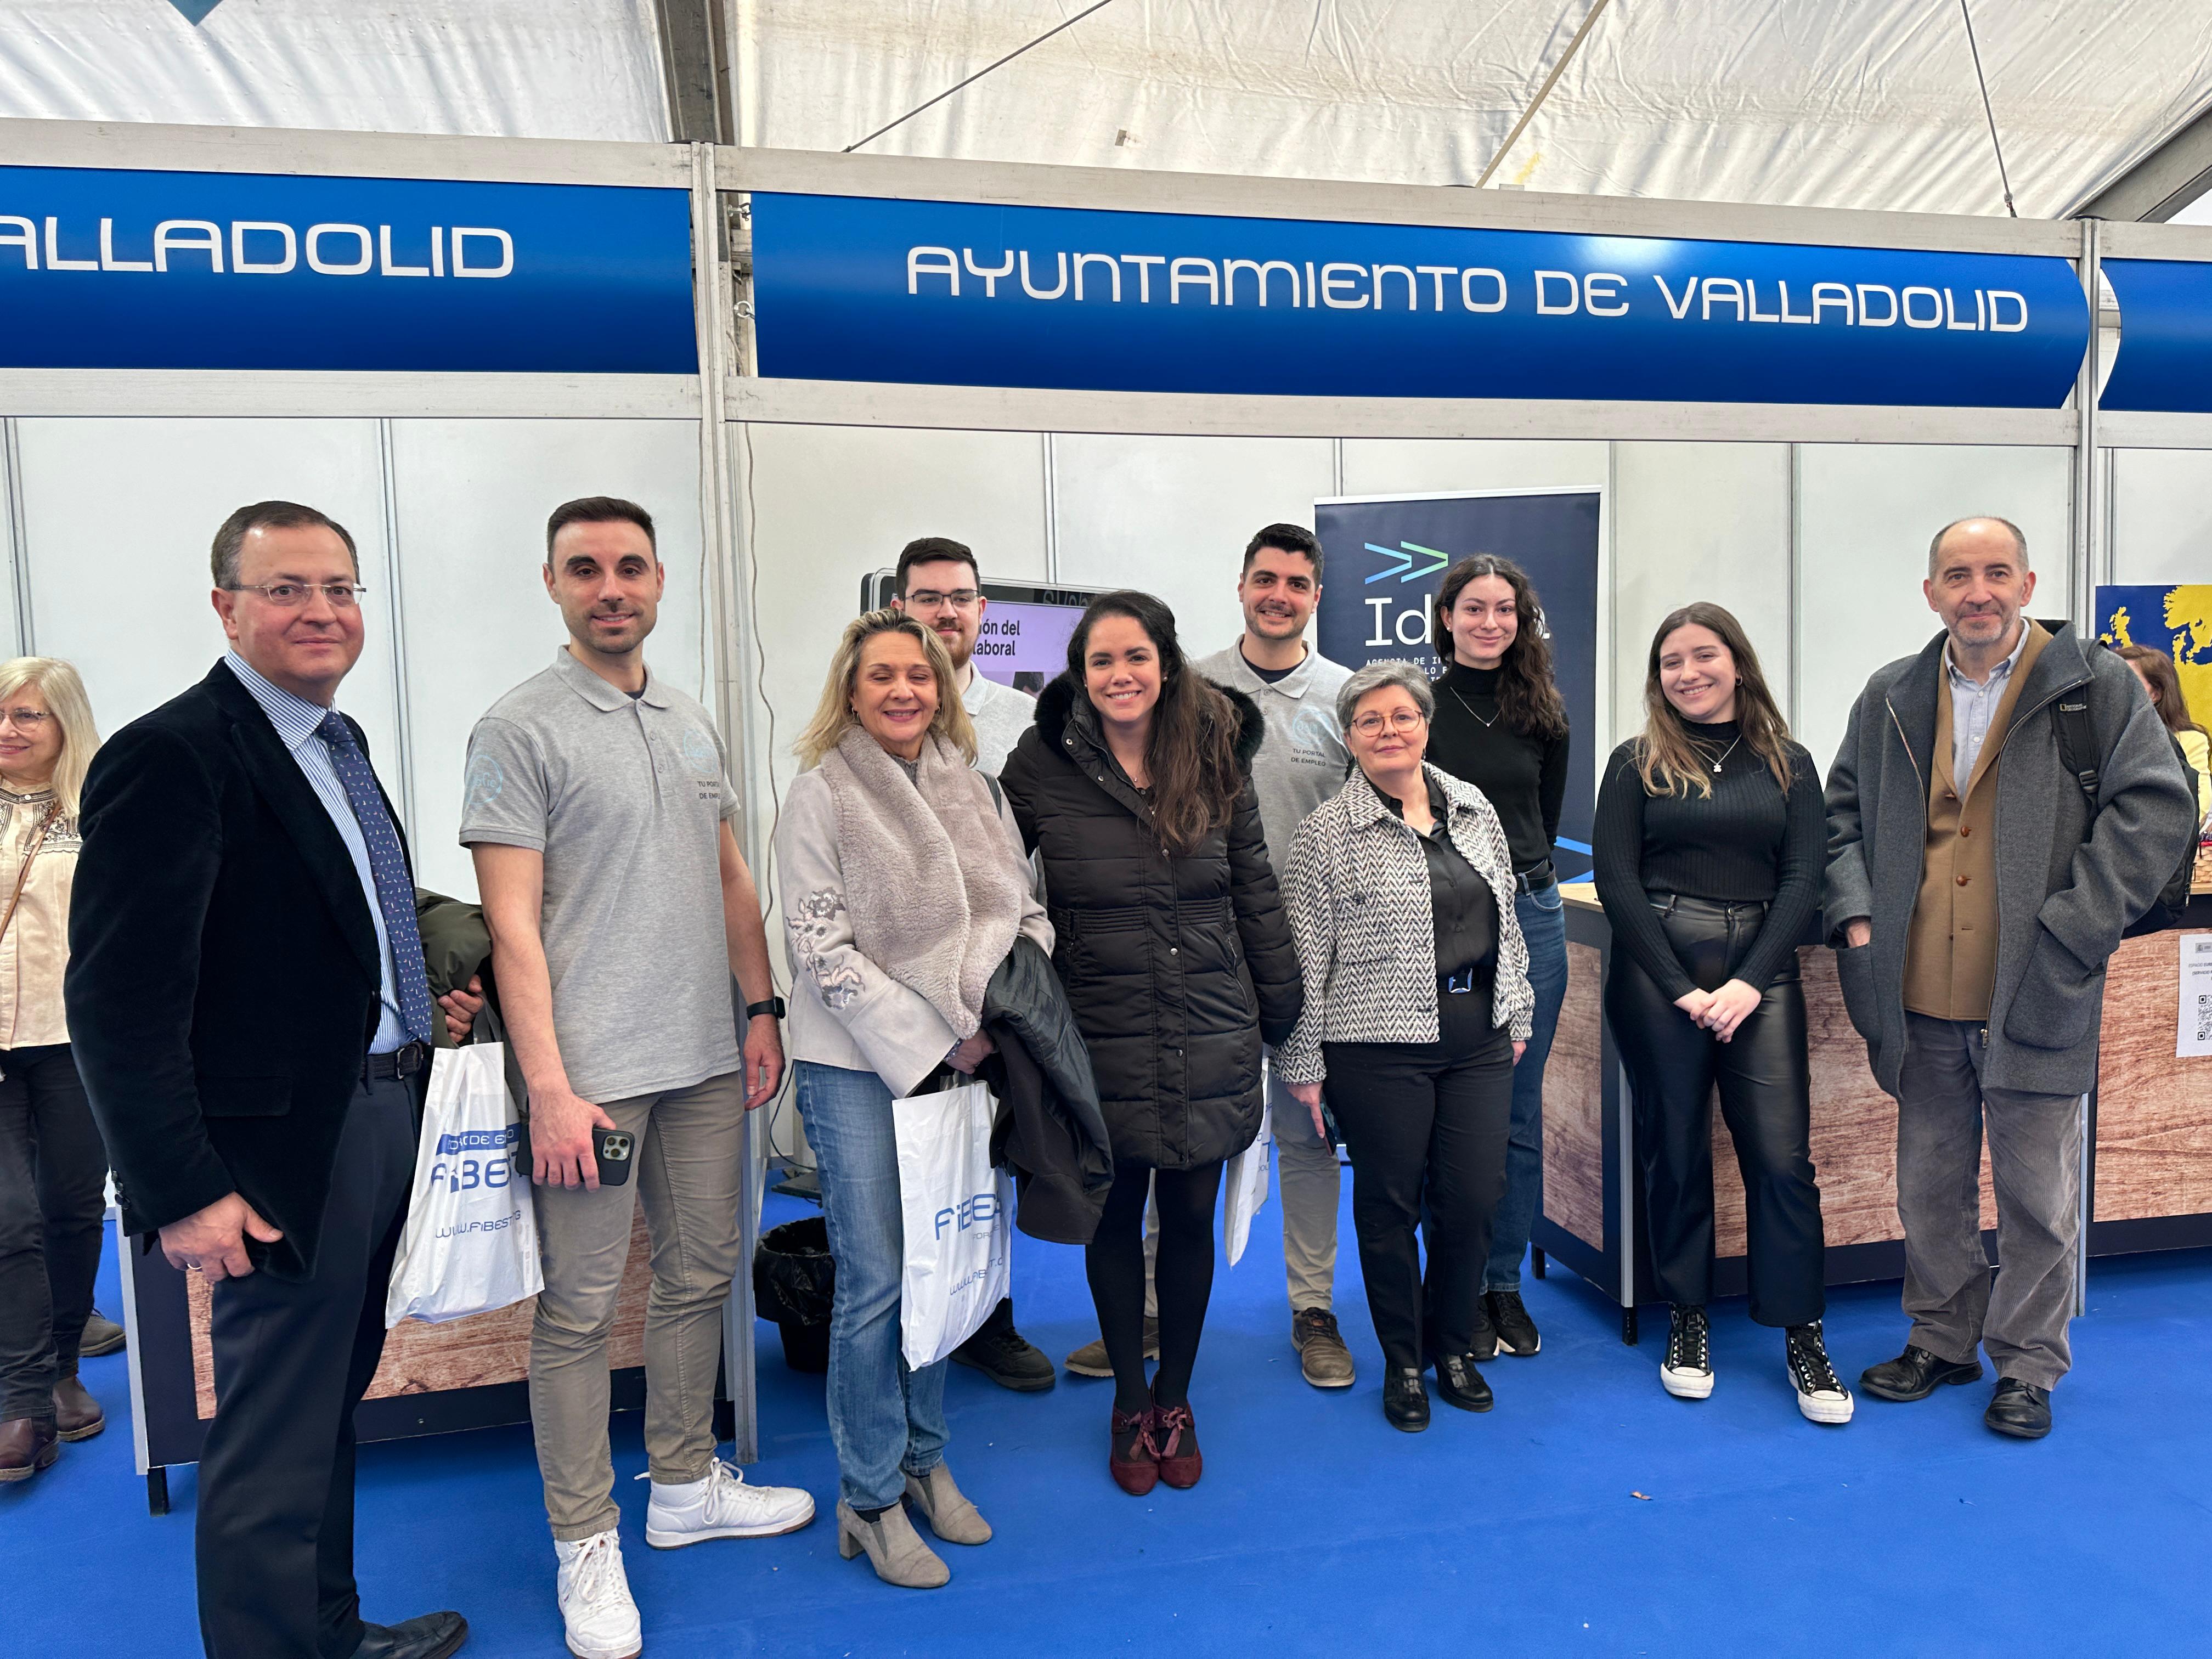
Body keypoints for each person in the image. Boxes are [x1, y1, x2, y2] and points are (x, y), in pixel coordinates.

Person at [66, 502, 469, 1658]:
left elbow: (316, 931)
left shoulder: (336, 741)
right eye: (287, 588)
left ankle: (323, 1630)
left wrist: (411, 999)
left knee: (324, 1401)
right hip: (283, 1151)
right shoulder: (173, 753)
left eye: (339, 588)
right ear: (226, 607)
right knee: (273, 1432)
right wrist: (181, 1189)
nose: (321, 611)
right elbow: (118, 999)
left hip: (377, 1112)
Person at [462, 497, 810, 1659]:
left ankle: (683, 1485)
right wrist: (550, 1086)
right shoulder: (517, 728)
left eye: (628, 567)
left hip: (706, 1058)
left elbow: (730, 881)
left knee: (702, 1270)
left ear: (660, 580)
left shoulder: (690, 718)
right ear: (552, 584)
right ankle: (584, 1538)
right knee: (577, 1309)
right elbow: (512, 927)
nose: (609, 587)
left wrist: (758, 1008)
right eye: (585, 569)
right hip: (595, 1079)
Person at [1826, 517, 2195, 1441]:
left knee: (2037, 1197)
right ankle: (1942, 1337)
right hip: (1916, 995)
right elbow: (1839, 818)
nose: (1977, 591)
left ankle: (2028, 1364)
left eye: (1996, 572)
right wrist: (1860, 920)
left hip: (2037, 988)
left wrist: (2075, 926)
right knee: (1928, 1187)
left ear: (2028, 585)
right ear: (1931, 594)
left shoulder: (2093, 686)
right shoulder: (1890, 695)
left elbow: (2156, 808)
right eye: (1957, 575)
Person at [999, 591, 1301, 1495]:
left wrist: (1283, 1014)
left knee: (1190, 1218)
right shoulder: (1042, 760)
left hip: (1210, 1019)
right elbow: (991, 877)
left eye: (1136, 657)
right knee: (1114, 1212)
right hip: (1098, 1025)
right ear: (1079, 674)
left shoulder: (1214, 753)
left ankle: (1177, 1396)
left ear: (1166, 664)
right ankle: (1130, 1400)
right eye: (1101, 661)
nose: (1120, 675)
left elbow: (1253, 884)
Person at [776, 609, 1051, 1587]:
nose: (903, 690)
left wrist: (1003, 1005)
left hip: (971, 1057)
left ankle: (925, 1461)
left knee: (941, 1267)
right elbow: (822, 949)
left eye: (919, 675)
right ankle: (869, 1496)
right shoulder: (820, 793)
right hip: (858, 1064)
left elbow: (1025, 912)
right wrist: (941, 1038)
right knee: (878, 1281)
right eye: (882, 675)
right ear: (850, 693)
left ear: (942, 688)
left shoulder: (976, 789)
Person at [1063, 525, 1357, 1390]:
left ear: (1316, 597)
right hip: (1188, 962)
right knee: (1168, 1138)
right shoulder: (1185, 687)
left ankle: (1313, 1309)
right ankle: (1152, 1310)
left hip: (1305, 953)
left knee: (1307, 1137)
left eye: (1296, 583)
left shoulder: (1345, 697)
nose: (1279, 595)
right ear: (1240, 587)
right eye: (1265, 578)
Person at [1593, 605, 1849, 1423]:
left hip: (1760, 980)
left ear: (1738, 662)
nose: (1688, 673)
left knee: (1782, 1160)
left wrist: (1749, 983)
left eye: (1703, 655)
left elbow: (1804, 879)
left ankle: (1803, 1334)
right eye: (1670, 662)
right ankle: (1688, 1316)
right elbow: (1616, 880)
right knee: (1673, 1151)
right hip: (1657, 979)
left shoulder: (1788, 762)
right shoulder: (1635, 763)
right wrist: (1681, 986)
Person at [1278, 661, 1532, 1431]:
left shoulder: (1474, 809)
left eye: (1403, 717)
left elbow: (1508, 917)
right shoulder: (1326, 834)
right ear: (1349, 737)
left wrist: (1518, 1011)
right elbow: (1304, 959)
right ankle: (1405, 1362)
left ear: (1425, 725)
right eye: (1370, 721)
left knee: (1472, 1200)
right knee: (1389, 1208)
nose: (1389, 731)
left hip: (1479, 1040)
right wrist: (1303, 1064)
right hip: (1374, 1049)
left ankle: (1450, 1345)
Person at [887, 535, 1051, 1393]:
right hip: (896, 988)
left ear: (983, 612)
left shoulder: (1023, 721)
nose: (945, 612)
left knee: (991, 1154)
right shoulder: (866, 713)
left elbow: (1036, 856)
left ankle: (988, 1316)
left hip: (998, 984)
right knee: (906, 1163)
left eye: (960, 598)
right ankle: (900, 1319)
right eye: (928, 597)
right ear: (898, 606)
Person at [1423, 554, 1571, 1361]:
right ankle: (1456, 1283)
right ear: (1446, 617)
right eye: (1474, 608)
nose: (1490, 623)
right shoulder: (1418, 709)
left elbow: (1540, 821)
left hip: (1532, 915)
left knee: (1517, 1110)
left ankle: (1503, 1285)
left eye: (1505, 609)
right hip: (1440, 921)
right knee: (1446, 1112)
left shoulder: (1543, 712)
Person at [0, 658, 104, 1481]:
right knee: (11, 1220)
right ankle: (23, 1401)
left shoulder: (101, 810)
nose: (9, 729)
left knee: (72, 1209)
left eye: (28, 715)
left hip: (77, 1041)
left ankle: (64, 1366)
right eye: (0, 715)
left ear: (65, 724)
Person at [2117, 643, 2211, 827]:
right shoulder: (2092, 736)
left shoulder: (2190, 741)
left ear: (2156, 694)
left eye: (2129, 682)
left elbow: (2197, 807)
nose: (2117, 689)